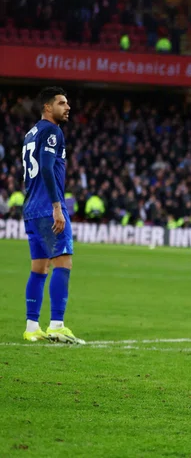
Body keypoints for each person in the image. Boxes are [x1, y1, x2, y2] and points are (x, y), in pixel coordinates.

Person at [22, 87, 84, 344]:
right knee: (64, 262)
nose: (67, 107)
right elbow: (46, 168)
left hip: (31, 209)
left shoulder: (30, 133)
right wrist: (57, 207)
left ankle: (31, 327)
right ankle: (57, 324)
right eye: (61, 103)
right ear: (48, 107)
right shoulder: (52, 131)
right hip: (49, 207)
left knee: (39, 267)